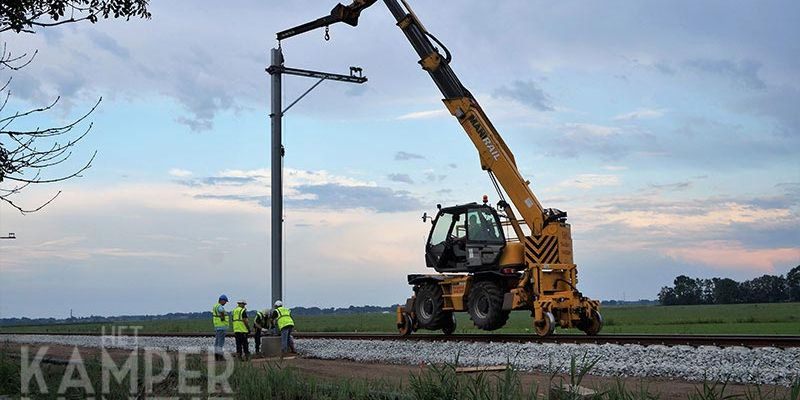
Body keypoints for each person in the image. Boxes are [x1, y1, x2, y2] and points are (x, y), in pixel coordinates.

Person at [212, 294, 229, 361]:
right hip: (221, 326)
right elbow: (221, 312)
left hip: (217, 326)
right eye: (225, 301)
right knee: (220, 342)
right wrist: (222, 318)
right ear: (221, 300)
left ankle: (216, 356)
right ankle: (220, 356)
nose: (225, 303)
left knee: (217, 342)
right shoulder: (219, 306)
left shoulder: (215, 306)